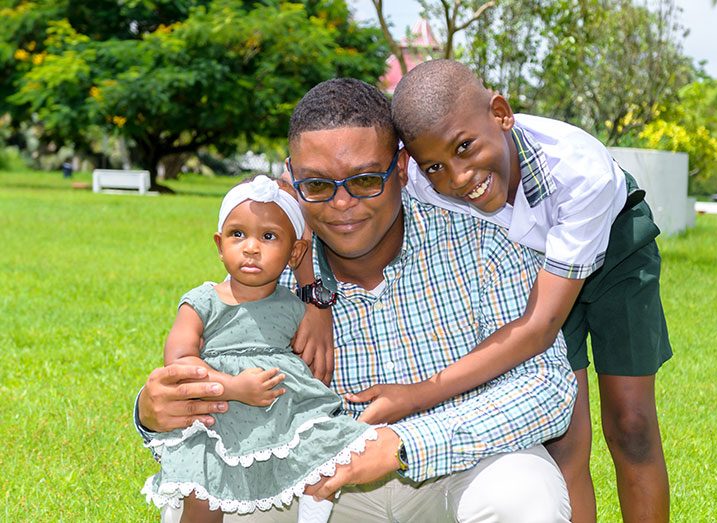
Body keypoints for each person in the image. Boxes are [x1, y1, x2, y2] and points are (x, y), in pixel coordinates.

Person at [135, 78, 576, 522]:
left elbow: (548, 386)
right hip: (319, 489)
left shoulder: (480, 243)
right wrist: (152, 412)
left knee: (524, 494)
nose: (342, 203)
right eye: (319, 185)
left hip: (455, 472)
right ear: (293, 177)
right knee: (210, 505)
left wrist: (405, 445)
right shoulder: (274, 270)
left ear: (401, 168)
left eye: (365, 180)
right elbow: (216, 381)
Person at [388, 59, 672, 522]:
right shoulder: (418, 178)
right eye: (437, 165)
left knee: (632, 424)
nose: (458, 178)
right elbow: (312, 190)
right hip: (527, 269)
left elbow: (539, 327)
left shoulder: (580, 172)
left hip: (614, 246)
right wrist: (311, 294)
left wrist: (416, 394)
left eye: (465, 147)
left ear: (500, 113)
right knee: (564, 440)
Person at [141, 175, 378, 523]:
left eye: (268, 237)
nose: (251, 247)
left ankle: (312, 516)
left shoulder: (296, 307)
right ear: (220, 245)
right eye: (238, 235)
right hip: (219, 414)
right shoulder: (203, 301)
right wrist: (233, 386)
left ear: (294, 252)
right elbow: (179, 360)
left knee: (328, 449)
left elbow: (310, 365)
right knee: (205, 493)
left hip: (279, 415)